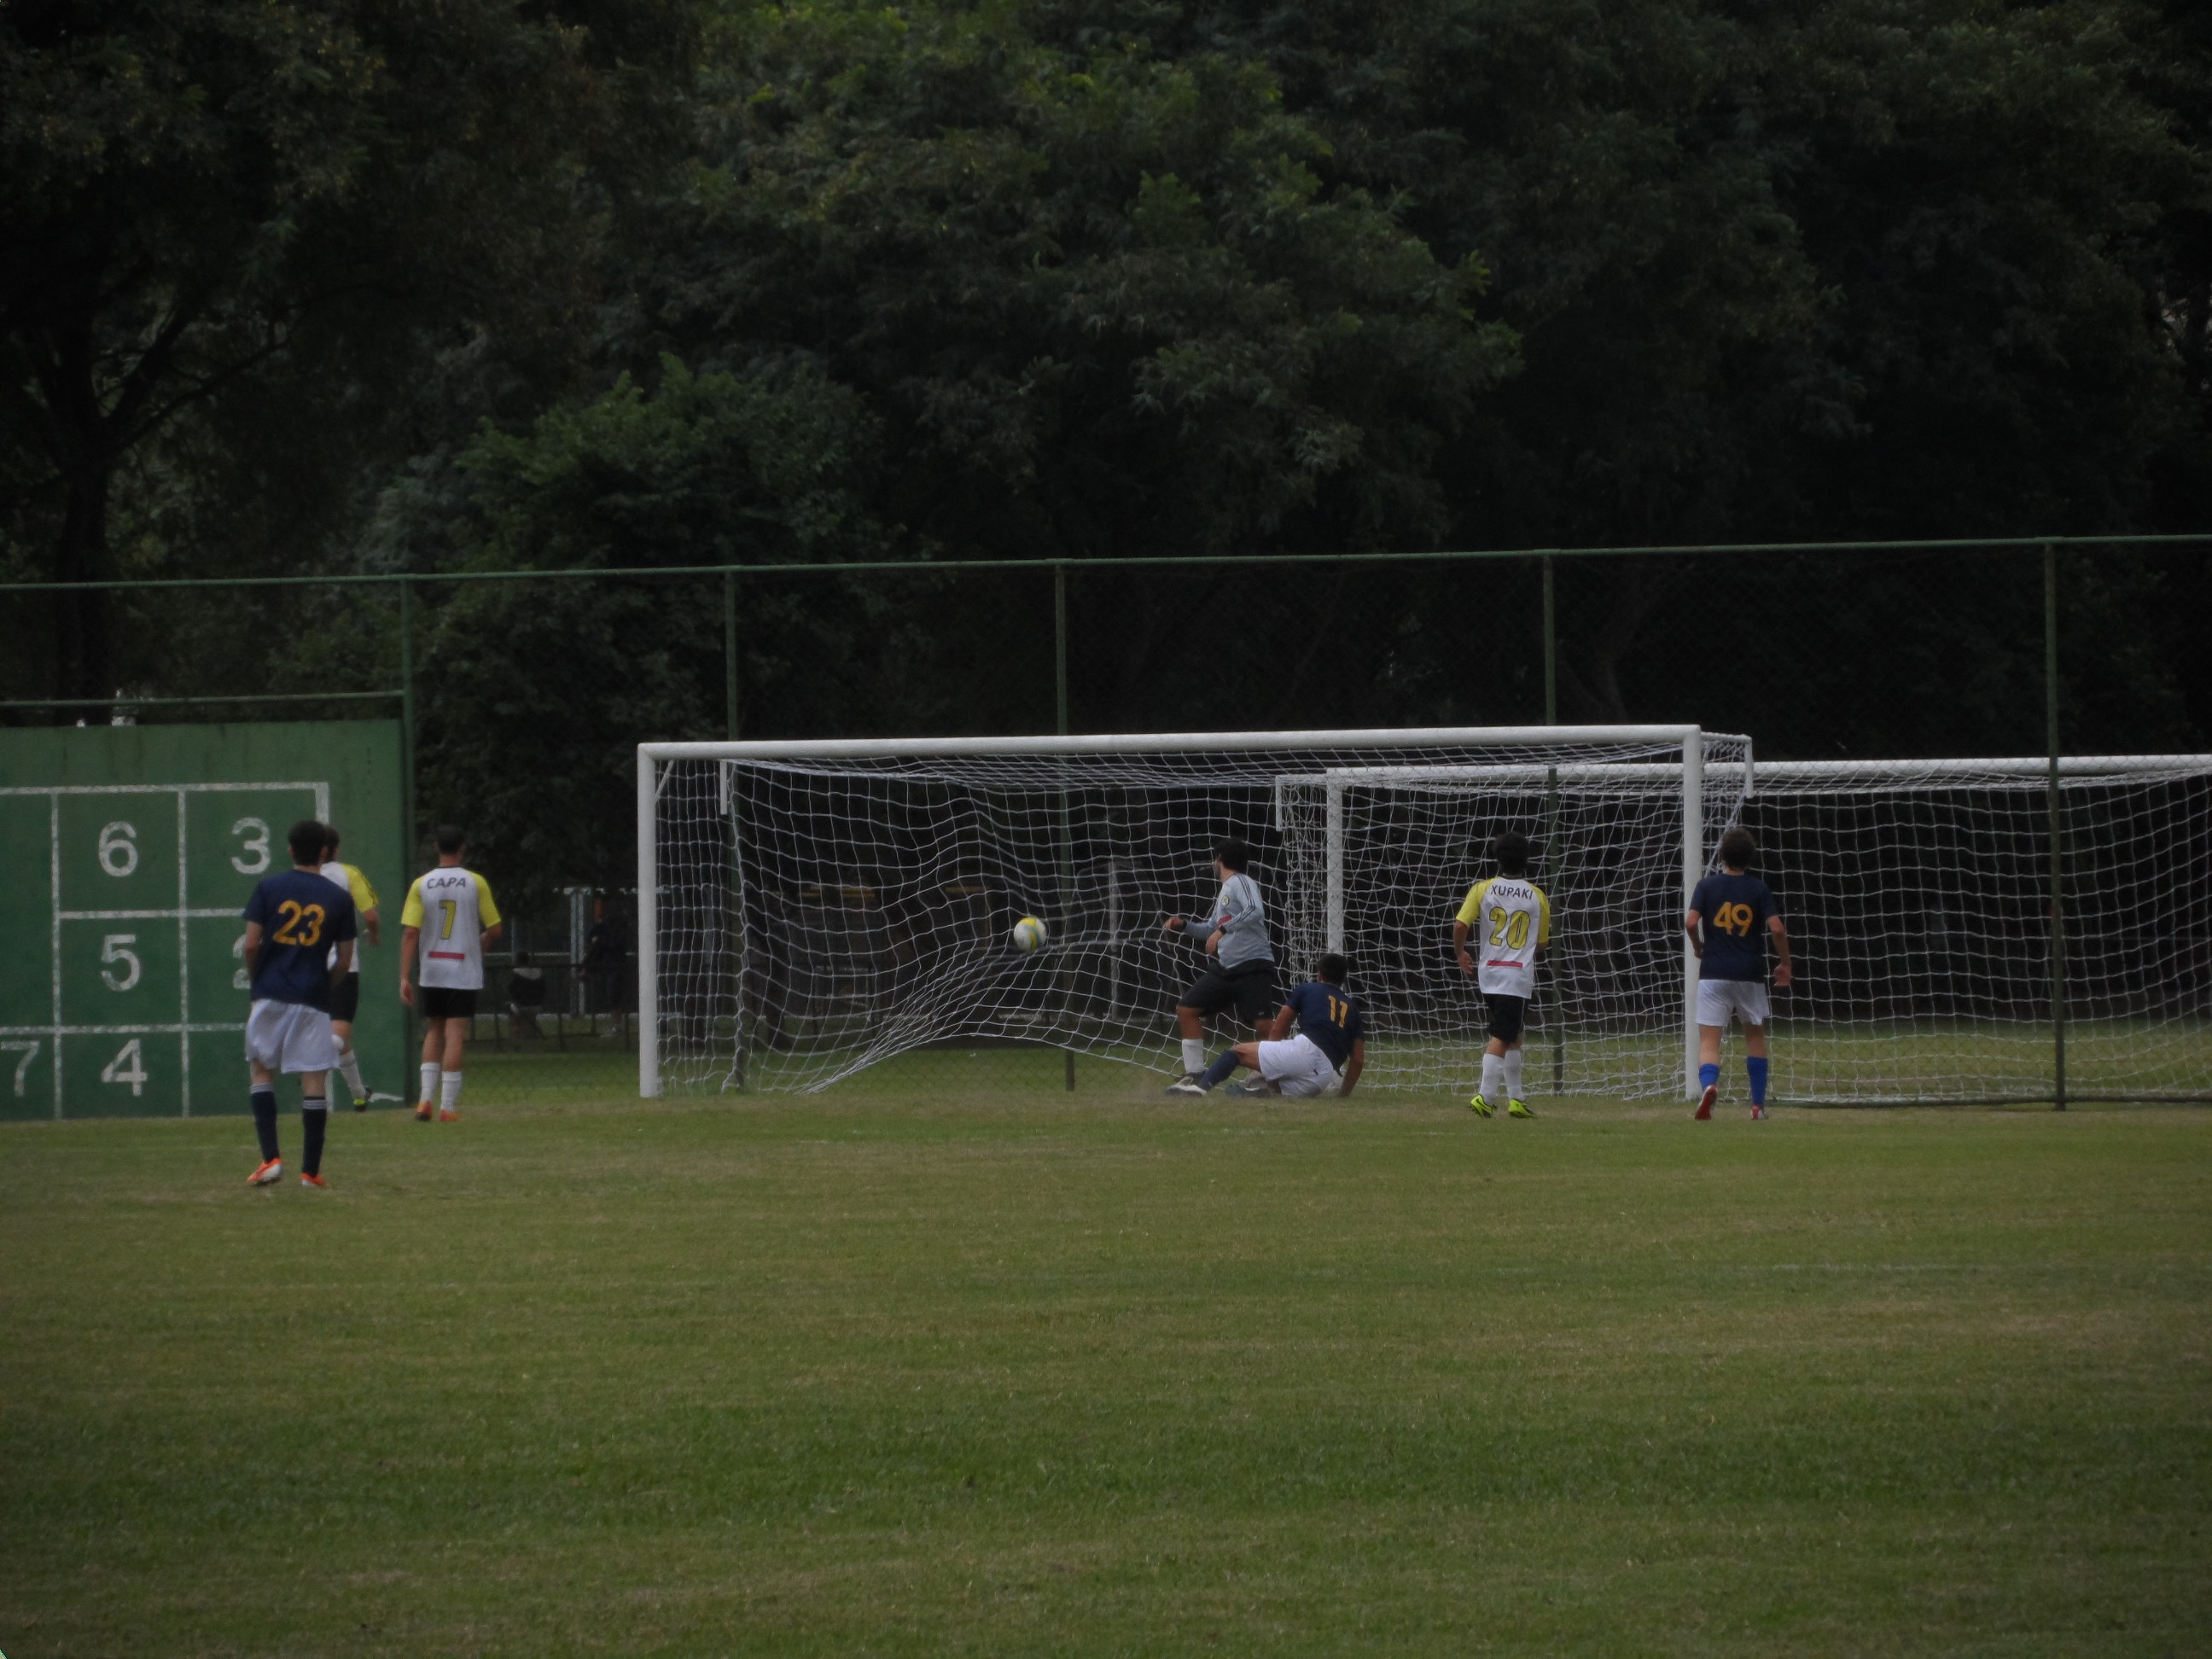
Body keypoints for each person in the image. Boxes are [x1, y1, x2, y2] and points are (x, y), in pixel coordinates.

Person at [241, 818, 357, 1187]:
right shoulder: (338, 898)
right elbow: (345, 958)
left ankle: (271, 1158)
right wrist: (326, 983)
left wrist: (258, 977)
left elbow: (250, 945)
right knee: (314, 1078)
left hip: (271, 991)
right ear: (324, 852)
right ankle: (311, 1171)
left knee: (261, 1071)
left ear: (290, 850)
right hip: (313, 996)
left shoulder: (269, 887)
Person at [1685, 825, 1793, 1120]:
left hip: (1713, 972)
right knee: (1754, 1037)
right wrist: (1785, 963)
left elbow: (1691, 922)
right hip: (1750, 973)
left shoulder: (1707, 886)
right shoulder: (1759, 889)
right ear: (1751, 858)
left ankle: (1709, 1086)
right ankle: (1757, 1106)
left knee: (1709, 1040)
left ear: (1721, 855)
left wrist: (1699, 947)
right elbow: (1777, 928)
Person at [399, 824, 503, 1122]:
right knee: (455, 1032)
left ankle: (424, 1102)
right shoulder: (475, 883)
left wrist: (404, 976)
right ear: (463, 848)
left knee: (434, 1029)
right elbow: (495, 929)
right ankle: (448, 1107)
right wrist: (481, 941)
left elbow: (410, 932)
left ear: (436, 848)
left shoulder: (421, 884)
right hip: (462, 966)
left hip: (432, 966)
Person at [1160, 838, 1277, 1087]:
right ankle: (1195, 1073)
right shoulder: (1226, 890)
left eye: (1215, 859)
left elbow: (1255, 910)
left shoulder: (1242, 882)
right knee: (1187, 1010)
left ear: (1219, 859)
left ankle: (1275, 1074)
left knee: (1265, 1025)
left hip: (1252, 964)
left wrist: (1222, 931)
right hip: (1227, 968)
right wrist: (1184, 926)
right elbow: (1211, 928)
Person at [1169, 952, 1365, 1098]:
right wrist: (1343, 1095)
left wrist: (1269, 1053)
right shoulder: (1353, 1009)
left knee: (1237, 1053)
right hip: (1322, 1078)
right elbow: (1357, 1059)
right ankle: (1255, 1094)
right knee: (1272, 1090)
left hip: (1306, 1052)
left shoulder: (1307, 989)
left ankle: (1199, 1088)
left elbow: (1281, 1023)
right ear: (1343, 979)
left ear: (1319, 974)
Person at [1453, 830, 1550, 1120]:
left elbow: (1460, 924)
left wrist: (1461, 953)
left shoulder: (1482, 889)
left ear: (1497, 859)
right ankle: (1485, 1096)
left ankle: (1517, 1098)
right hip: (1516, 976)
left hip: (1489, 973)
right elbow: (1542, 943)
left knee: (1514, 1033)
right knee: (1502, 1034)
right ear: (1527, 860)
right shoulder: (1537, 896)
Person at [317, 824, 381, 1109]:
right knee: (339, 1031)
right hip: (342, 963)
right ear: (335, 850)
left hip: (309, 961)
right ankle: (314, 1057)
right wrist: (375, 935)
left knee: (343, 1037)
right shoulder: (348, 874)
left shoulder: (302, 877)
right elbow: (371, 915)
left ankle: (358, 1093)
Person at [579, 899, 627, 1039]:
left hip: (615, 965)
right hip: (606, 965)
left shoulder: (617, 929)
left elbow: (613, 944)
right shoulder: (601, 928)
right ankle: (616, 1026)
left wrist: (599, 940)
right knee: (611, 996)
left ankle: (617, 1026)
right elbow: (591, 939)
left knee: (614, 996)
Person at [507, 950, 547, 1039]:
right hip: (537, 1005)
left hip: (521, 1005)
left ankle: (516, 1034)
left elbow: (511, 989)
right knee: (529, 1017)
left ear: (518, 961)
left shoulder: (517, 972)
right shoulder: (538, 972)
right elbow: (543, 990)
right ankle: (532, 1032)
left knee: (509, 1008)